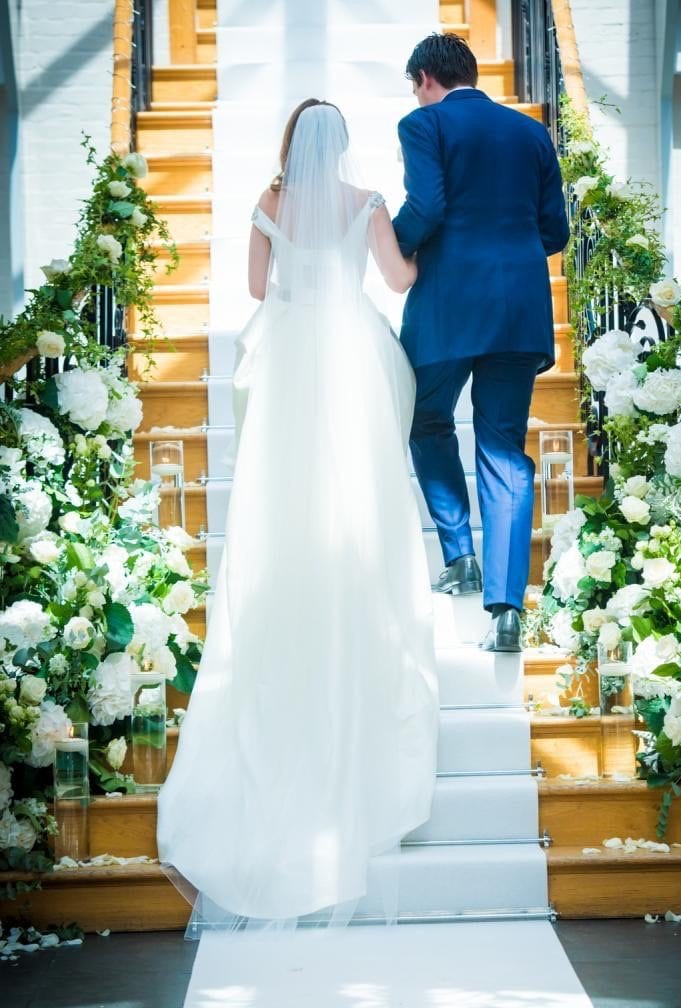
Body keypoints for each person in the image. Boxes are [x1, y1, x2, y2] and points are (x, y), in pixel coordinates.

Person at [157, 100, 439, 925]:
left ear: (288, 144)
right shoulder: (366, 203)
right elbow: (398, 280)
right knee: (358, 481)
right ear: (343, 145)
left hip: (293, 349)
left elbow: (255, 288)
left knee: (288, 481)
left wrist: (293, 272)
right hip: (350, 346)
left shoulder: (268, 203)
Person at [393, 34, 570, 652]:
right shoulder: (531, 133)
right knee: (503, 450)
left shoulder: (423, 125)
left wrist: (392, 243)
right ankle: (506, 612)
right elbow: (556, 230)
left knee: (425, 419)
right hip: (519, 310)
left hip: (446, 306)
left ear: (424, 79)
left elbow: (427, 205)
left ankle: (459, 554)